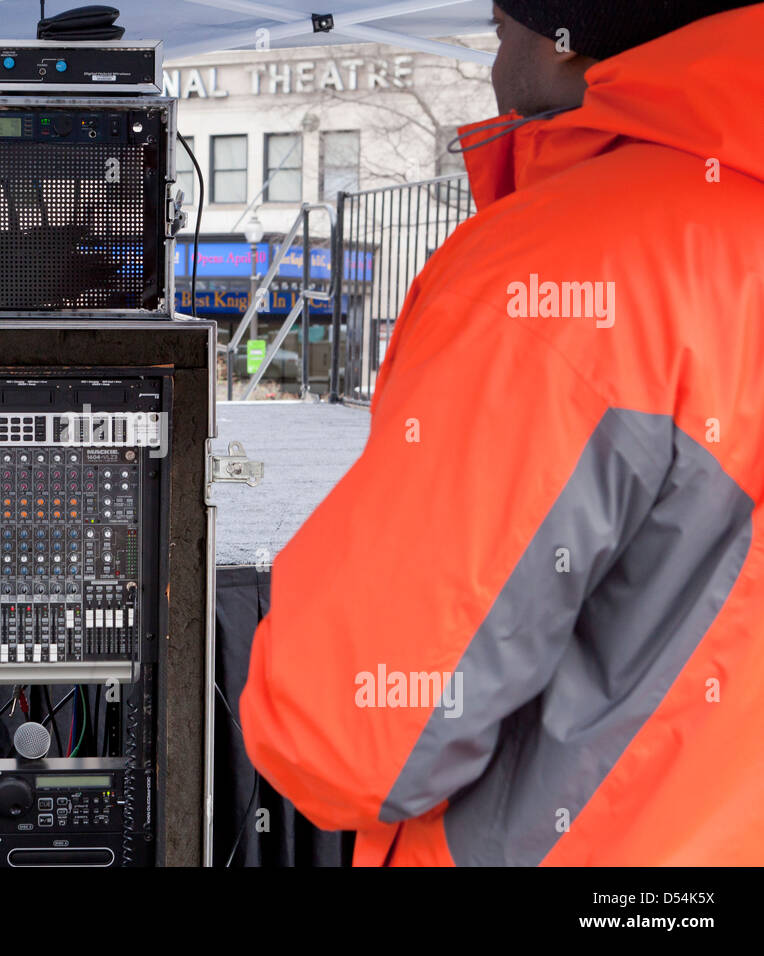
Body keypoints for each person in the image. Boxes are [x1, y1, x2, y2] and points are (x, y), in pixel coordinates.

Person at [240, 1, 764, 865]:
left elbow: (348, 738)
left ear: (571, 40)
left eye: (502, 21)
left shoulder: (557, 276)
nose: (491, 40)